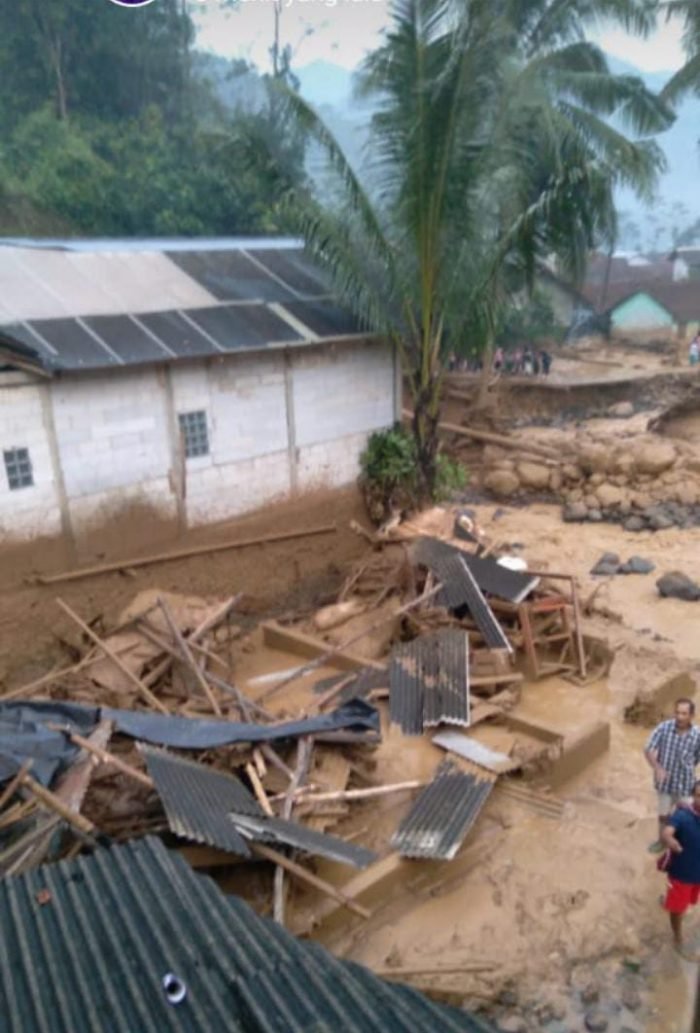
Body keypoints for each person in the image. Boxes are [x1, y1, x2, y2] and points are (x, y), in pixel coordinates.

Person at [645, 698, 700, 853]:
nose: (680, 717)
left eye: (684, 713)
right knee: (663, 816)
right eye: (677, 712)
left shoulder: (698, 735)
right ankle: (662, 842)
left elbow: (697, 759)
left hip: (686, 785)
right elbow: (648, 749)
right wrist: (657, 767)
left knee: (689, 817)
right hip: (665, 784)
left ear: (692, 715)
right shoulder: (664, 728)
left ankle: (682, 845)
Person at [661, 780, 700, 957]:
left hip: (697, 876)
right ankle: (677, 937)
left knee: (688, 903)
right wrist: (671, 841)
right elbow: (667, 831)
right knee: (677, 909)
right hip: (681, 875)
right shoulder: (683, 815)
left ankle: (667, 900)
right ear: (693, 796)